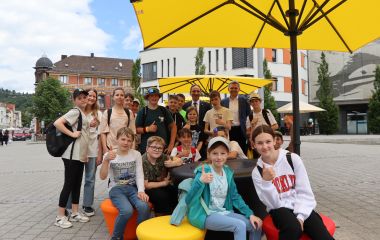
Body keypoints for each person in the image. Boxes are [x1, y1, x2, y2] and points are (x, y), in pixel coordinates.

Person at [251, 125, 334, 240]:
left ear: (275, 140)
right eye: (260, 143)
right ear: (254, 145)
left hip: (300, 204)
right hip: (280, 209)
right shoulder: (257, 172)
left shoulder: (292, 159)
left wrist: (300, 217)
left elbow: (305, 192)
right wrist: (266, 182)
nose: (264, 146)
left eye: (268, 141)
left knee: (323, 236)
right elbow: (273, 204)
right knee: (293, 228)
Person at [185, 136, 262, 240]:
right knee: (239, 226)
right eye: (215, 153)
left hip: (223, 211)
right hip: (205, 214)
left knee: (256, 225)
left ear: (227, 154)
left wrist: (250, 214)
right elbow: (188, 199)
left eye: (223, 153)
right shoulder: (204, 171)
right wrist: (200, 182)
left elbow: (235, 197)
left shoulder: (227, 172)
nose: (219, 157)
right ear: (209, 154)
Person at [99, 127, 151, 240]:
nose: (126, 143)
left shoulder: (136, 154)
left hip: (132, 188)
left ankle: (140, 235)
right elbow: (102, 177)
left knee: (144, 207)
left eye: (129, 140)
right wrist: (106, 160)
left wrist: (141, 190)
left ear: (132, 142)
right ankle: (117, 237)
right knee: (127, 210)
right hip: (116, 189)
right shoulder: (110, 155)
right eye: (123, 139)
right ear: (117, 139)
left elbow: (139, 173)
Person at [53, 88, 90, 228]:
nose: (83, 100)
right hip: (71, 155)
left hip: (79, 155)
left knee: (76, 184)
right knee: (69, 184)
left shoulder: (82, 113)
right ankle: (59, 216)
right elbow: (58, 123)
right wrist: (72, 134)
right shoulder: (75, 111)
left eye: (84, 98)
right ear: (74, 100)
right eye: (79, 98)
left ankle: (74, 213)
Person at [66, 88, 102, 217]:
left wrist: (100, 153)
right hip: (77, 151)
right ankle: (69, 205)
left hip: (92, 151)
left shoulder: (98, 114)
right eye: (89, 96)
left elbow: (101, 136)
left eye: (94, 96)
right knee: (74, 178)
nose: (91, 98)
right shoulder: (77, 111)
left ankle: (87, 205)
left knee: (90, 179)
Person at [143, 136, 180, 215]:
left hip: (162, 183)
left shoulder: (163, 157)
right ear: (147, 148)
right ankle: (160, 217)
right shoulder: (143, 161)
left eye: (160, 148)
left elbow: (179, 160)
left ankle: (174, 215)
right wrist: (164, 183)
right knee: (161, 196)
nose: (157, 150)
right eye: (154, 147)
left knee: (175, 190)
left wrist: (174, 163)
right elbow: (146, 185)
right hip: (148, 187)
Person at [135, 87, 177, 155]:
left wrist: (171, 145)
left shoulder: (163, 110)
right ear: (148, 97)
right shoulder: (143, 111)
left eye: (156, 95)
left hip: (162, 149)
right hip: (147, 150)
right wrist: (147, 129)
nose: (154, 98)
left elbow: (173, 127)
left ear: (158, 97)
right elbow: (136, 129)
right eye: (151, 96)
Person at [99, 87, 135, 154]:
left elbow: (132, 132)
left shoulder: (129, 113)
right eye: (117, 95)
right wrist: (105, 148)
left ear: (124, 97)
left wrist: (133, 148)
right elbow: (103, 132)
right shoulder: (107, 112)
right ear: (113, 97)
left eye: (122, 95)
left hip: (126, 148)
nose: (119, 97)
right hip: (111, 148)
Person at [221, 81, 251, 154]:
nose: (233, 89)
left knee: (242, 150)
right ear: (228, 89)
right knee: (229, 149)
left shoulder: (244, 100)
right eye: (232, 88)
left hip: (241, 129)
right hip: (228, 130)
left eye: (235, 88)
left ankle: (243, 165)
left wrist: (248, 129)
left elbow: (248, 115)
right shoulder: (223, 102)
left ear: (239, 89)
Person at [247, 92, 278, 158]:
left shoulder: (266, 112)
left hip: (268, 139)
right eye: (252, 101)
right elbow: (248, 132)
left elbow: (276, 126)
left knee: (270, 157)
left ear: (260, 102)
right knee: (258, 159)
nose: (254, 103)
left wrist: (264, 131)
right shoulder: (249, 117)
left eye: (256, 101)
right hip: (257, 142)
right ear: (250, 103)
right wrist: (252, 125)